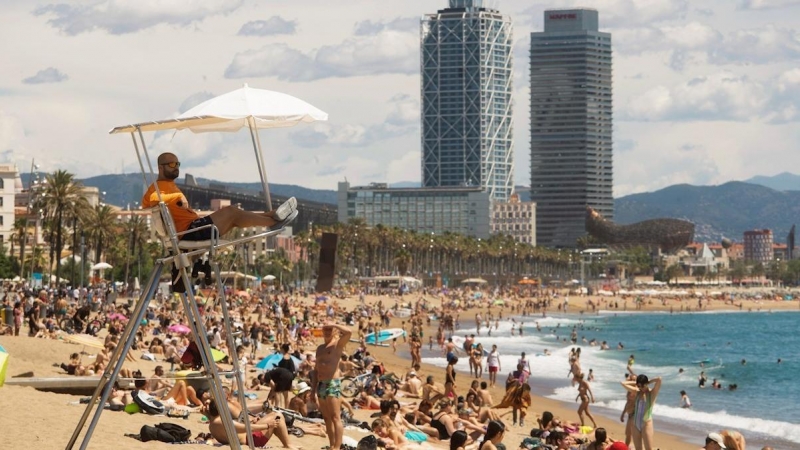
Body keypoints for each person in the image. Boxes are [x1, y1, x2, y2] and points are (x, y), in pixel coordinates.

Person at [142, 152, 296, 289]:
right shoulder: (158, 188)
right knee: (231, 212)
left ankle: (273, 215)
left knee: (235, 217)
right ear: (160, 168)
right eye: (171, 164)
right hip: (190, 231)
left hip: (194, 227)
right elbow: (151, 200)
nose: (176, 167)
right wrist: (174, 198)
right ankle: (273, 221)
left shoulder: (169, 185)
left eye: (177, 164)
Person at [311, 322, 352, 450]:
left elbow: (349, 332)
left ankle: (337, 446)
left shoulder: (337, 345)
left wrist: (334, 324)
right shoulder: (320, 348)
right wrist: (313, 390)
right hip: (321, 384)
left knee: (335, 417)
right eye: (325, 329)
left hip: (332, 384)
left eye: (330, 330)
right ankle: (332, 444)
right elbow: (316, 370)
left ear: (334, 331)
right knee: (327, 418)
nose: (327, 332)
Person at [204, 397, 296, 449]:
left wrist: (254, 422)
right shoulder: (222, 422)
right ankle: (288, 444)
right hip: (252, 440)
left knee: (272, 419)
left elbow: (237, 430)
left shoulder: (211, 425)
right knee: (277, 415)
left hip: (248, 438)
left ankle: (287, 444)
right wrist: (267, 425)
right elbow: (246, 428)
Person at [621, 374, 662, 450]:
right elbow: (623, 383)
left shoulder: (652, 393)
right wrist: (636, 383)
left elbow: (659, 379)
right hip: (635, 424)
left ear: (646, 384)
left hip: (646, 424)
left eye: (642, 386)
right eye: (639, 386)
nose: (641, 388)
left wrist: (648, 381)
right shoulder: (637, 392)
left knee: (648, 449)